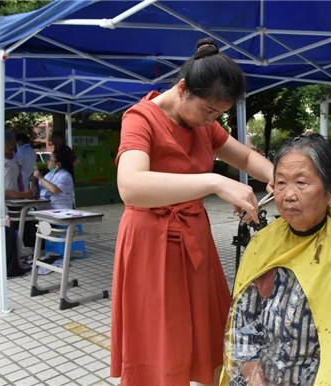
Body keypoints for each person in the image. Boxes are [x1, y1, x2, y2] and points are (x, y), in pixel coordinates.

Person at [110, 38, 273, 386]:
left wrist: (280, 177)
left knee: (208, 330)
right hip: (151, 243)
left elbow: (243, 157)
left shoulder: (202, 124)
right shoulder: (141, 119)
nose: (212, 120)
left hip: (194, 239)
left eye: (219, 114)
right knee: (161, 338)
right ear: (183, 89)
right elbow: (131, 185)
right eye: (210, 111)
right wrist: (213, 182)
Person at [222, 134, 331, 385]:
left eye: (302, 183)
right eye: (281, 183)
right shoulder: (262, 245)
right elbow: (244, 323)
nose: (288, 195)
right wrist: (254, 376)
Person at [0, 131, 34, 277]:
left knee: (21, 227)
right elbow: (1, 189)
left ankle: (14, 261)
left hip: (14, 200)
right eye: (7, 143)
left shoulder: (14, 157)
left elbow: (17, 180)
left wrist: (23, 193)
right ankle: (8, 266)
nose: (11, 146)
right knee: (5, 234)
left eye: (12, 143)